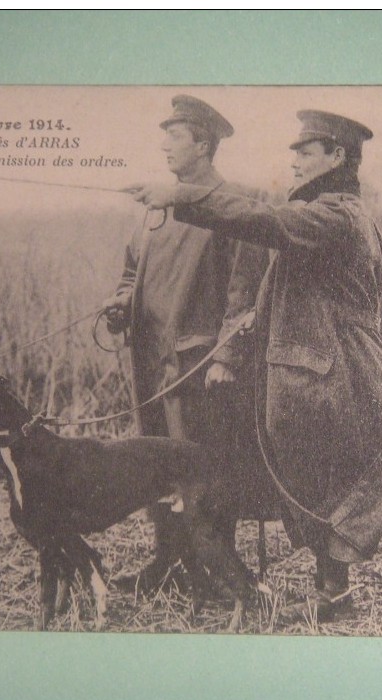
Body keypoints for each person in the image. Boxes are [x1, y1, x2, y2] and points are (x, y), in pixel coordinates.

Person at [125, 109, 382, 637]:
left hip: (354, 384)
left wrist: (182, 197)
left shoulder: (338, 216)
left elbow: (268, 221)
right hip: (314, 386)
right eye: (294, 152)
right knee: (316, 484)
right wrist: (231, 353)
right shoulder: (314, 217)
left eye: (306, 152)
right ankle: (334, 595)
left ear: (337, 158)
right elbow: (266, 305)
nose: (295, 161)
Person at [102, 95, 271, 594]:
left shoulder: (236, 204)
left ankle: (217, 572)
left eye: (174, 136)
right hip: (149, 364)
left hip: (198, 369)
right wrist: (120, 303)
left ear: (203, 144)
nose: (164, 146)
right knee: (153, 465)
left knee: (203, 468)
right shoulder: (155, 209)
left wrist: (226, 356)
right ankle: (169, 563)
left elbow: (246, 292)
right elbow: (132, 273)